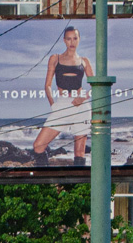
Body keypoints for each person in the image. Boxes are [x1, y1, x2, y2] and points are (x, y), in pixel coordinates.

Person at [32, 26, 93, 165]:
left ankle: (79, 184)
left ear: (79, 40)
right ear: (64, 40)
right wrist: (53, 104)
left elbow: (94, 86)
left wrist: (83, 98)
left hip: (81, 106)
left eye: (75, 38)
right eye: (69, 38)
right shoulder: (55, 58)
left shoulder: (84, 61)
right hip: (62, 104)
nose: (72, 42)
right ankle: (46, 182)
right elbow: (47, 85)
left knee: (79, 152)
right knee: (38, 145)